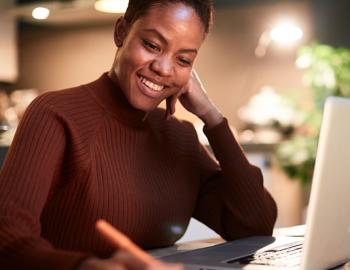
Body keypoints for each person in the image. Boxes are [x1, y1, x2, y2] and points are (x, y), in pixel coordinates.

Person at [0, 0, 277, 269]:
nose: (164, 68)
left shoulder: (178, 136)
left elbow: (255, 225)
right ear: (121, 31)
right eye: (152, 45)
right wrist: (89, 266)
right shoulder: (55, 114)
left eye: (183, 59)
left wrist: (213, 119)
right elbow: (7, 238)